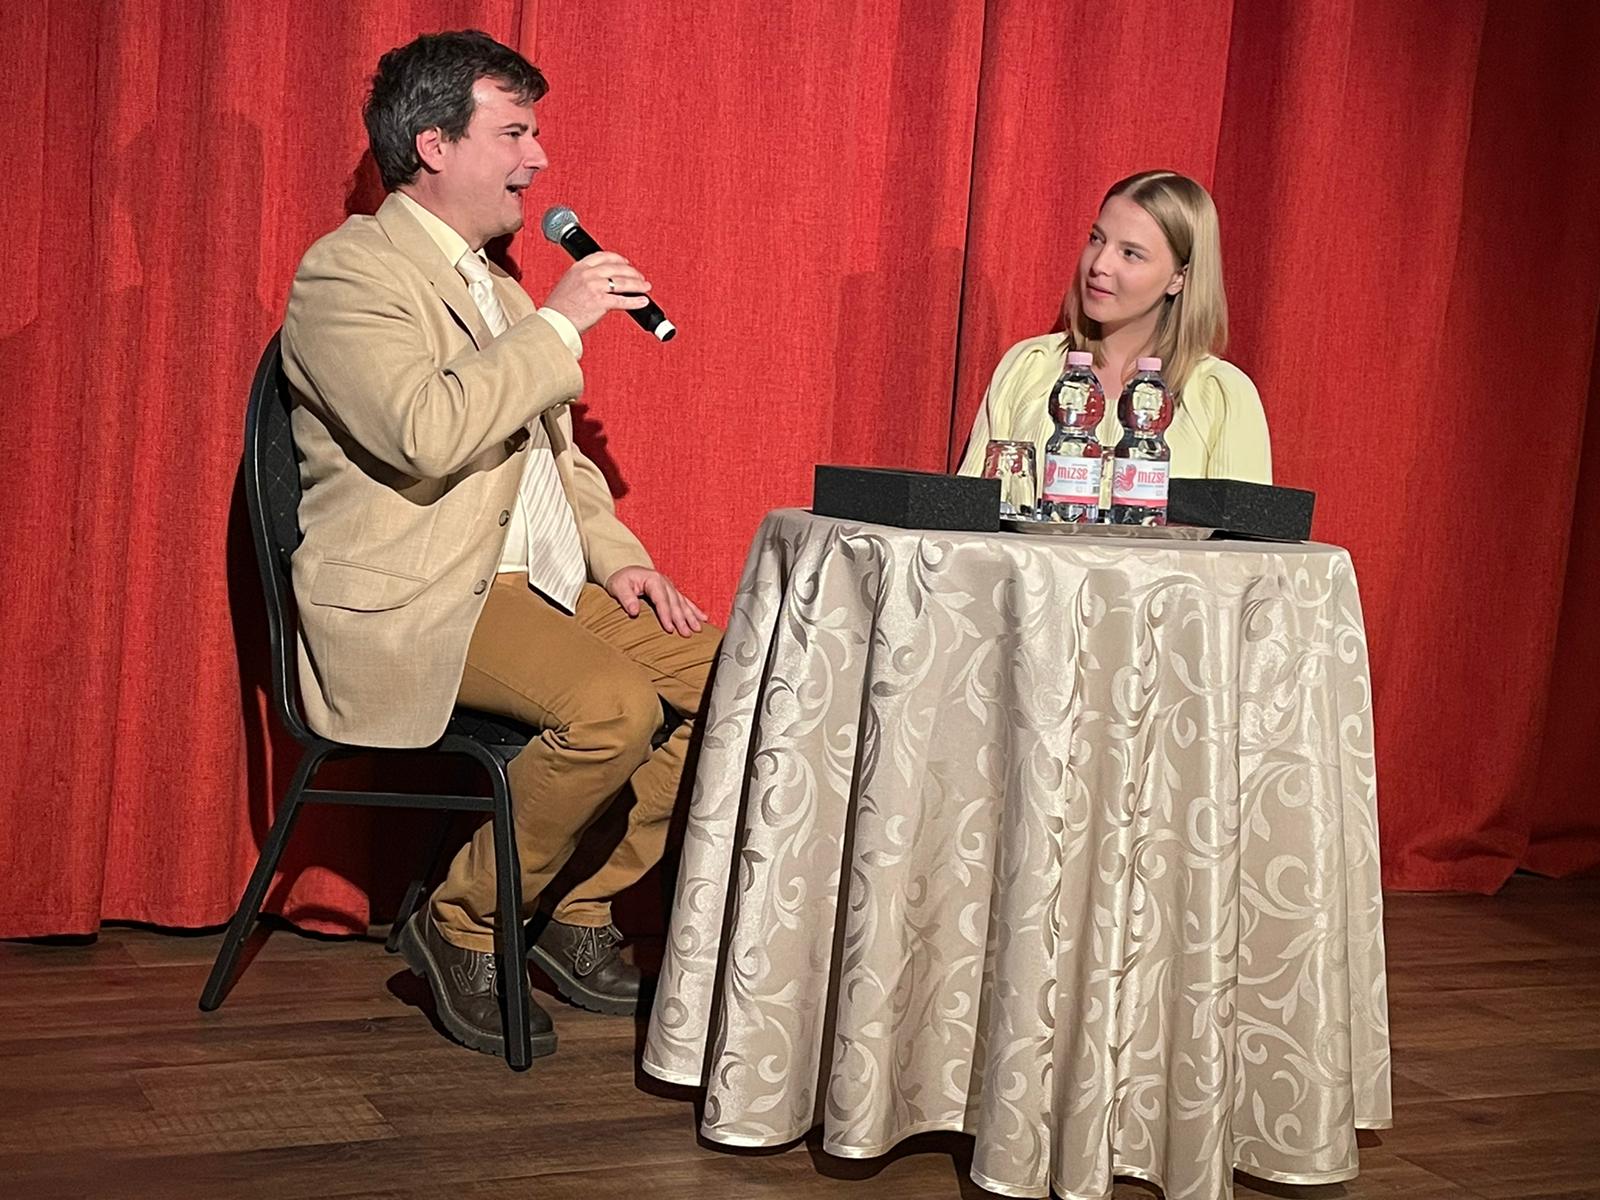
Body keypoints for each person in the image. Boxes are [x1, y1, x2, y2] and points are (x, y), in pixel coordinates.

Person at [280, 30, 721, 1059]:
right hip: (425, 591)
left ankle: (574, 908)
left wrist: (618, 557)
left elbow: (556, 463)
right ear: (434, 145)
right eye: (514, 133)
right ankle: (464, 920)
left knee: (739, 681)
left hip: (538, 583)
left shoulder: (501, 289)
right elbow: (424, 433)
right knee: (612, 708)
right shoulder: (348, 273)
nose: (538, 158)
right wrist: (558, 327)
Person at [957, 170, 1271, 484]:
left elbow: (1240, 517)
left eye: (1130, 253)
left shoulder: (1221, 396)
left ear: (1179, 277)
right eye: (1097, 239)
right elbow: (969, 507)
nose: (1099, 265)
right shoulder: (1028, 367)